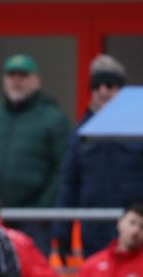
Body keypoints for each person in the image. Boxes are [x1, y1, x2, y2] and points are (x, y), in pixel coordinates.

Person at [0, 53, 71, 254]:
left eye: (23, 75)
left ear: (36, 80)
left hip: (32, 221)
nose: (16, 81)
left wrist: (41, 209)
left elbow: (62, 170)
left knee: (30, 275)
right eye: (11, 75)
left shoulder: (53, 119)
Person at [56, 55, 143, 258]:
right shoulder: (81, 132)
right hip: (94, 231)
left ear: (121, 90)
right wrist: (62, 231)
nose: (103, 91)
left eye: (110, 85)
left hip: (135, 229)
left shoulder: (138, 128)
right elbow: (69, 184)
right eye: (97, 86)